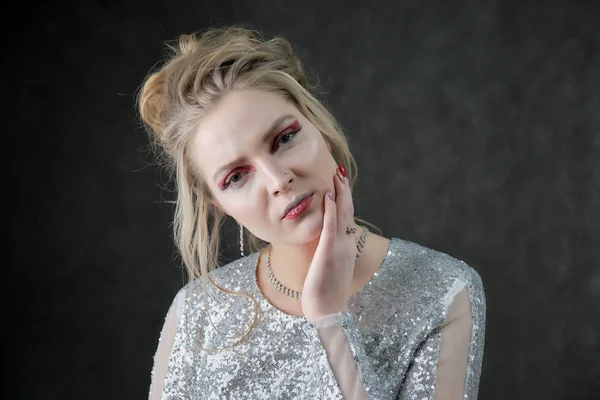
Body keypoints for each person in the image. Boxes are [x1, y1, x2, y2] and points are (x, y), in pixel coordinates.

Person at [137, 25, 486, 400]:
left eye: (284, 138)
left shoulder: (441, 289)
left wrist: (329, 319)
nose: (278, 179)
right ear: (218, 205)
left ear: (315, 122)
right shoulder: (196, 315)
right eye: (237, 177)